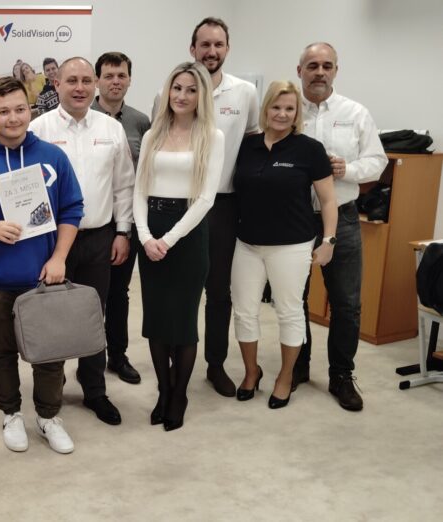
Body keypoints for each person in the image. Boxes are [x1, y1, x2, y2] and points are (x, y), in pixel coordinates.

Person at [0, 77, 84, 454]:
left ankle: (48, 417)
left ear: (30, 110)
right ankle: (11, 413)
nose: (13, 118)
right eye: (3, 111)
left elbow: (72, 208)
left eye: (19, 109)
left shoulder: (53, 156)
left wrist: (59, 258)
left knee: (49, 352)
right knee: (1, 351)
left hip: (43, 276)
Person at [29, 57, 135, 426]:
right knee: (52, 317)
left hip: (99, 238)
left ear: (95, 85)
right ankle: (51, 383)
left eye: (86, 81)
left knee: (93, 315)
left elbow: (124, 185)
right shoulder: (39, 128)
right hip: (51, 242)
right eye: (71, 80)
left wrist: (123, 232)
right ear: (56, 84)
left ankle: (94, 388)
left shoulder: (111, 129)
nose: (79, 87)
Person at [162, 17, 260, 398]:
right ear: (193, 49)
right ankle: (174, 359)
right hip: (178, 203)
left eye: (218, 44)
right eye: (204, 44)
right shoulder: (172, 91)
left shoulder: (245, 94)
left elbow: (252, 145)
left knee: (218, 290)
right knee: (178, 287)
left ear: (227, 49)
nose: (211, 51)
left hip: (221, 205)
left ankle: (215, 364)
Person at [231, 80, 337, 409]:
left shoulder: (309, 150)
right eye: (276, 107)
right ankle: (252, 372)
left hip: (291, 246)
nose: (282, 114)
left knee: (289, 312)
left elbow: (328, 200)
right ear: (266, 109)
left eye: (289, 108)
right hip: (247, 244)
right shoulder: (247, 146)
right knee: (244, 311)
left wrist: (329, 240)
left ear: (297, 113)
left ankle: (286, 377)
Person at [294, 42, 388, 411]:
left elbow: (378, 161)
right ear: (300, 70)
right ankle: (298, 365)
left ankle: (342, 375)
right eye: (312, 65)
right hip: (295, 219)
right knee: (294, 299)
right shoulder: (286, 109)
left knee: (347, 303)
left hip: (344, 218)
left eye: (327, 65)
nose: (320, 72)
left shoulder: (355, 113)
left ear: (336, 70)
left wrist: (346, 169)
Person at [134, 62, 224, 431]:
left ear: (201, 95)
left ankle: (179, 395)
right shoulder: (153, 134)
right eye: (176, 88)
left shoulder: (212, 136)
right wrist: (144, 236)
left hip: (187, 233)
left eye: (191, 89)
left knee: (183, 322)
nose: (182, 96)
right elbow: (140, 189)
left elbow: (206, 198)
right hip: (150, 231)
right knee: (156, 320)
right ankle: (164, 390)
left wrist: (168, 240)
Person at [91, 51, 152, 386]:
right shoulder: (85, 117)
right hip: (91, 221)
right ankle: (87, 357)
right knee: (87, 296)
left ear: (129, 79)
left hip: (126, 220)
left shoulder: (141, 122)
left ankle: (117, 355)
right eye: (109, 75)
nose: (115, 82)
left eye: (122, 76)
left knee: (118, 292)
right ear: (97, 80)